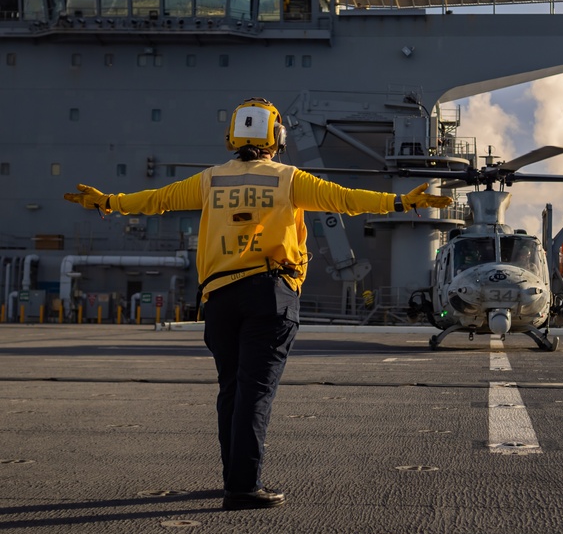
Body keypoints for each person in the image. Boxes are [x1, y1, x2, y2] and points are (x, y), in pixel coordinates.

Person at [63, 97, 451, 510]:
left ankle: (235, 477)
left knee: (231, 390)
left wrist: (108, 202)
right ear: (278, 138)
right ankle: (243, 487)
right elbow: (346, 199)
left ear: (233, 136)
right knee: (256, 391)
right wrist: (402, 202)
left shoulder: (210, 180)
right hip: (269, 295)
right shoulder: (287, 179)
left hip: (219, 298)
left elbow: (156, 200)